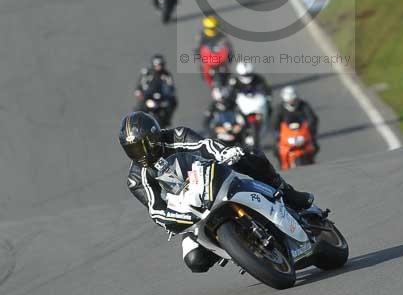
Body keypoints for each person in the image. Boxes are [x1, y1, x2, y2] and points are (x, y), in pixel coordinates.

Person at [119, 112, 314, 273]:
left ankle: (286, 192)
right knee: (195, 261)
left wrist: (223, 153)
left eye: (144, 145)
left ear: (155, 136)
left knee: (248, 155)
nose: (141, 153)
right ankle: (238, 248)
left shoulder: (176, 136)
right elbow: (155, 209)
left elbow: (204, 145)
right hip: (189, 211)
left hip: (209, 179)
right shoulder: (136, 178)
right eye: (133, 150)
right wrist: (174, 219)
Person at [272, 86, 320, 152]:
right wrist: (278, 132)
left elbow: (312, 117)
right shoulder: (279, 108)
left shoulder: (303, 105)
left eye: (293, 100)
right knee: (276, 149)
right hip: (286, 133)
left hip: (302, 131)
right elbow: (275, 122)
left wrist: (309, 126)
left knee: (314, 146)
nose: (292, 102)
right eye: (289, 101)